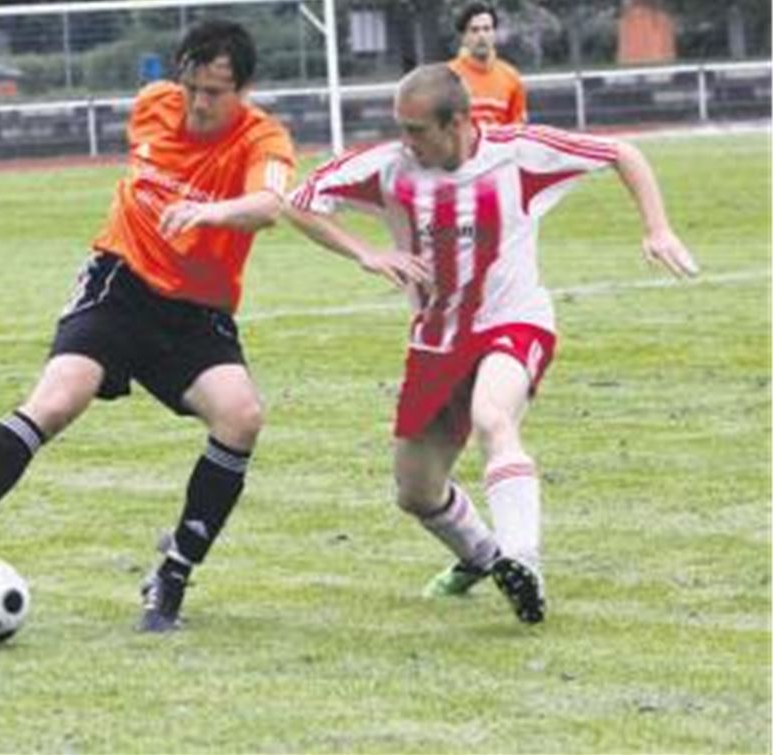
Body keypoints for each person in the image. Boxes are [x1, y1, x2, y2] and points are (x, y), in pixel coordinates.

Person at [0, 20, 295, 633]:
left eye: (215, 93)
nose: (198, 103)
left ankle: (171, 577)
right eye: (191, 86)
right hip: (120, 286)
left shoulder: (263, 138)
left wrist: (210, 210)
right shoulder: (152, 106)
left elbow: (270, 206)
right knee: (60, 397)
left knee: (241, 416)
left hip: (196, 313)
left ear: (244, 89)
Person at [283, 64, 698, 624]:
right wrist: (366, 252)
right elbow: (298, 200)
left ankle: (524, 559)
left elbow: (623, 153)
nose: (406, 141)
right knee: (416, 491)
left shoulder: (519, 154)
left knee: (493, 417)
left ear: (459, 121)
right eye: (400, 128)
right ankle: (487, 558)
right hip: (436, 340)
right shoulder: (389, 169)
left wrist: (658, 228)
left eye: (417, 130)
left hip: (515, 320)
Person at [448, 0, 527, 127]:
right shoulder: (448, 76)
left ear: (494, 33)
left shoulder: (511, 77)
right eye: (474, 30)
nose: (482, 36)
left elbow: (518, 131)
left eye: (487, 29)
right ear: (463, 37)